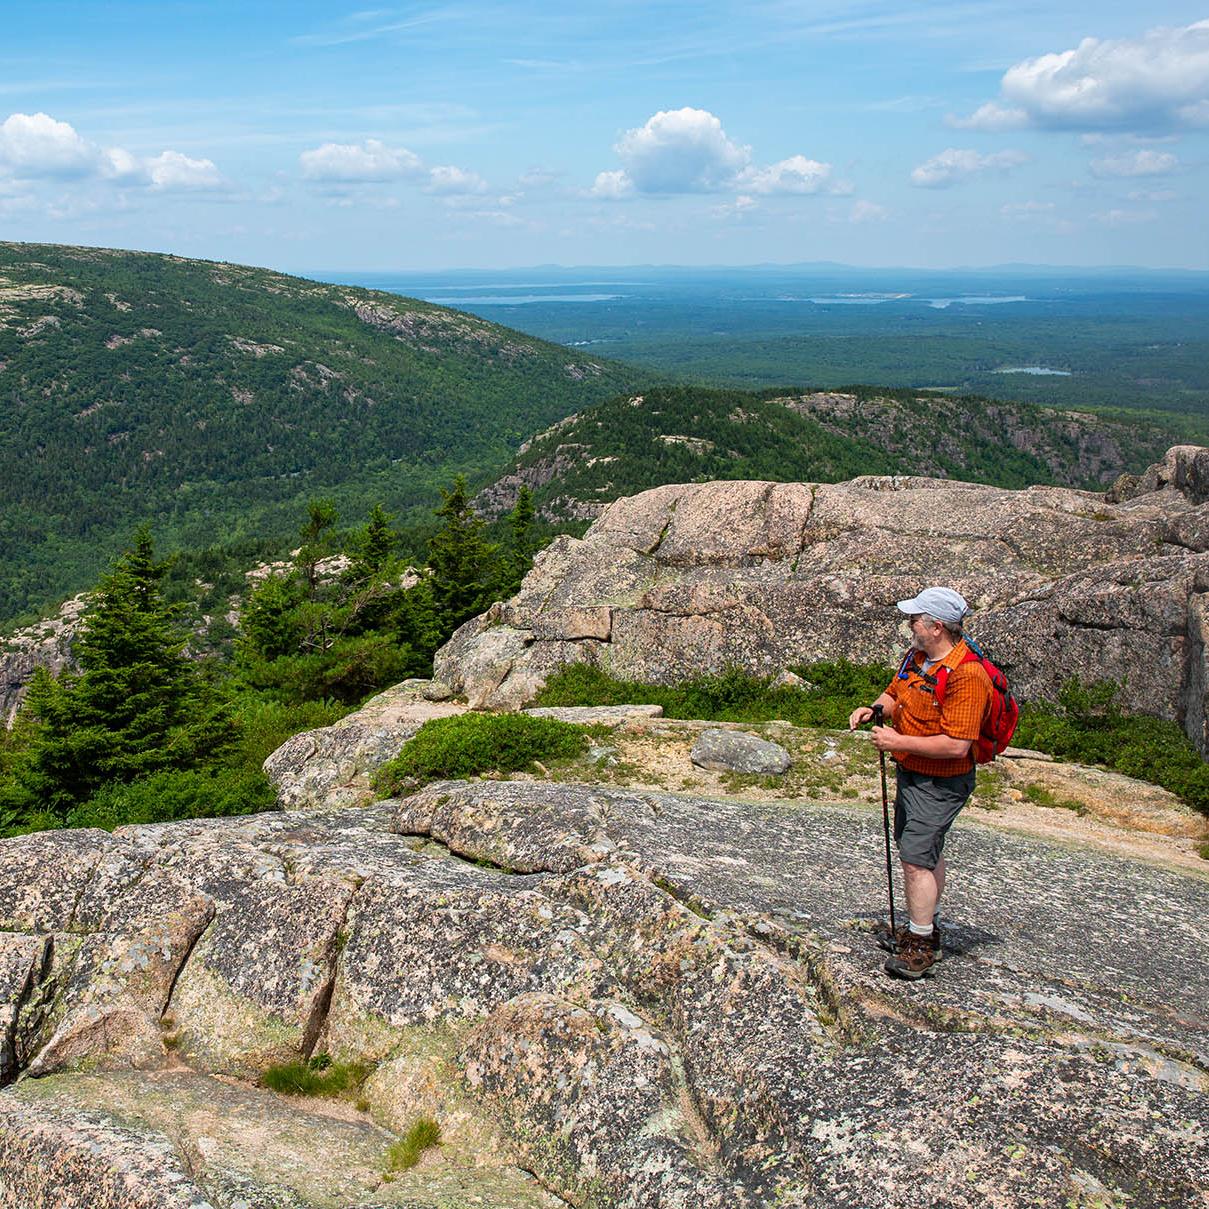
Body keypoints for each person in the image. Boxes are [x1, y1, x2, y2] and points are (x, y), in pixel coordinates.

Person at [848, 587, 993, 980]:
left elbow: (956, 745)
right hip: (913, 772)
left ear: (937, 626)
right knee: (921, 852)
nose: (910, 624)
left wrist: (896, 741)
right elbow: (896, 692)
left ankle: (920, 943)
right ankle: (926, 926)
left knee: (915, 857)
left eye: (915, 619)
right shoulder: (919, 658)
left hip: (941, 781)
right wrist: (877, 709)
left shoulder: (968, 675)